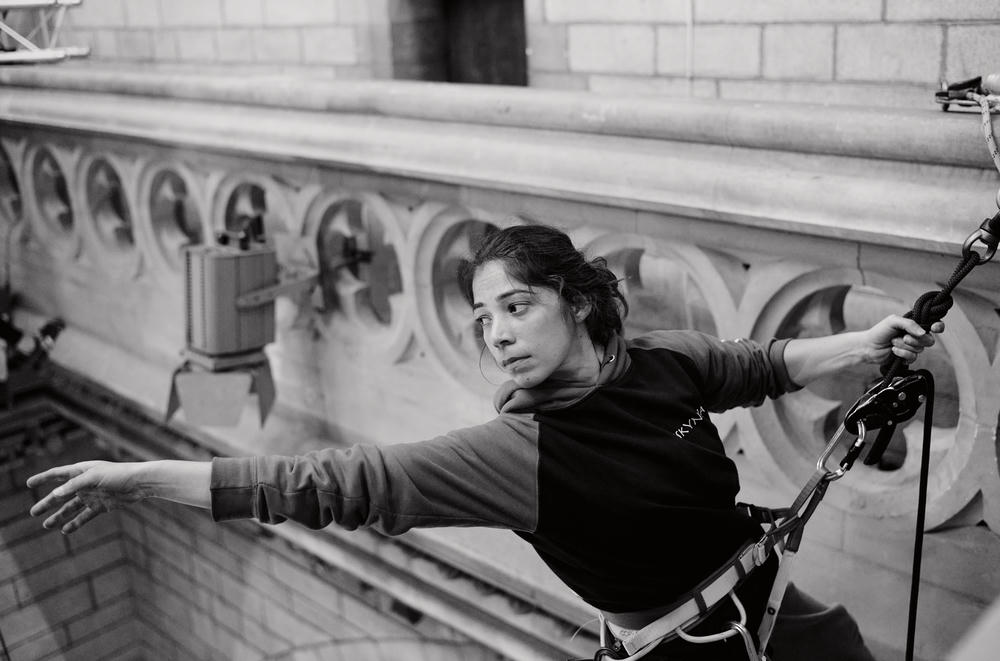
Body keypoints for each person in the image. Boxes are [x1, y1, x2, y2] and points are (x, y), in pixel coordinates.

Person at [27, 224, 941, 660]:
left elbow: (760, 363)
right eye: (482, 317)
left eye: (516, 306)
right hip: (690, 651)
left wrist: (861, 346)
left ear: (577, 302)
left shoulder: (657, 360)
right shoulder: (520, 451)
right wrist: (140, 477)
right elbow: (328, 481)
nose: (496, 331)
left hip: (773, 607)